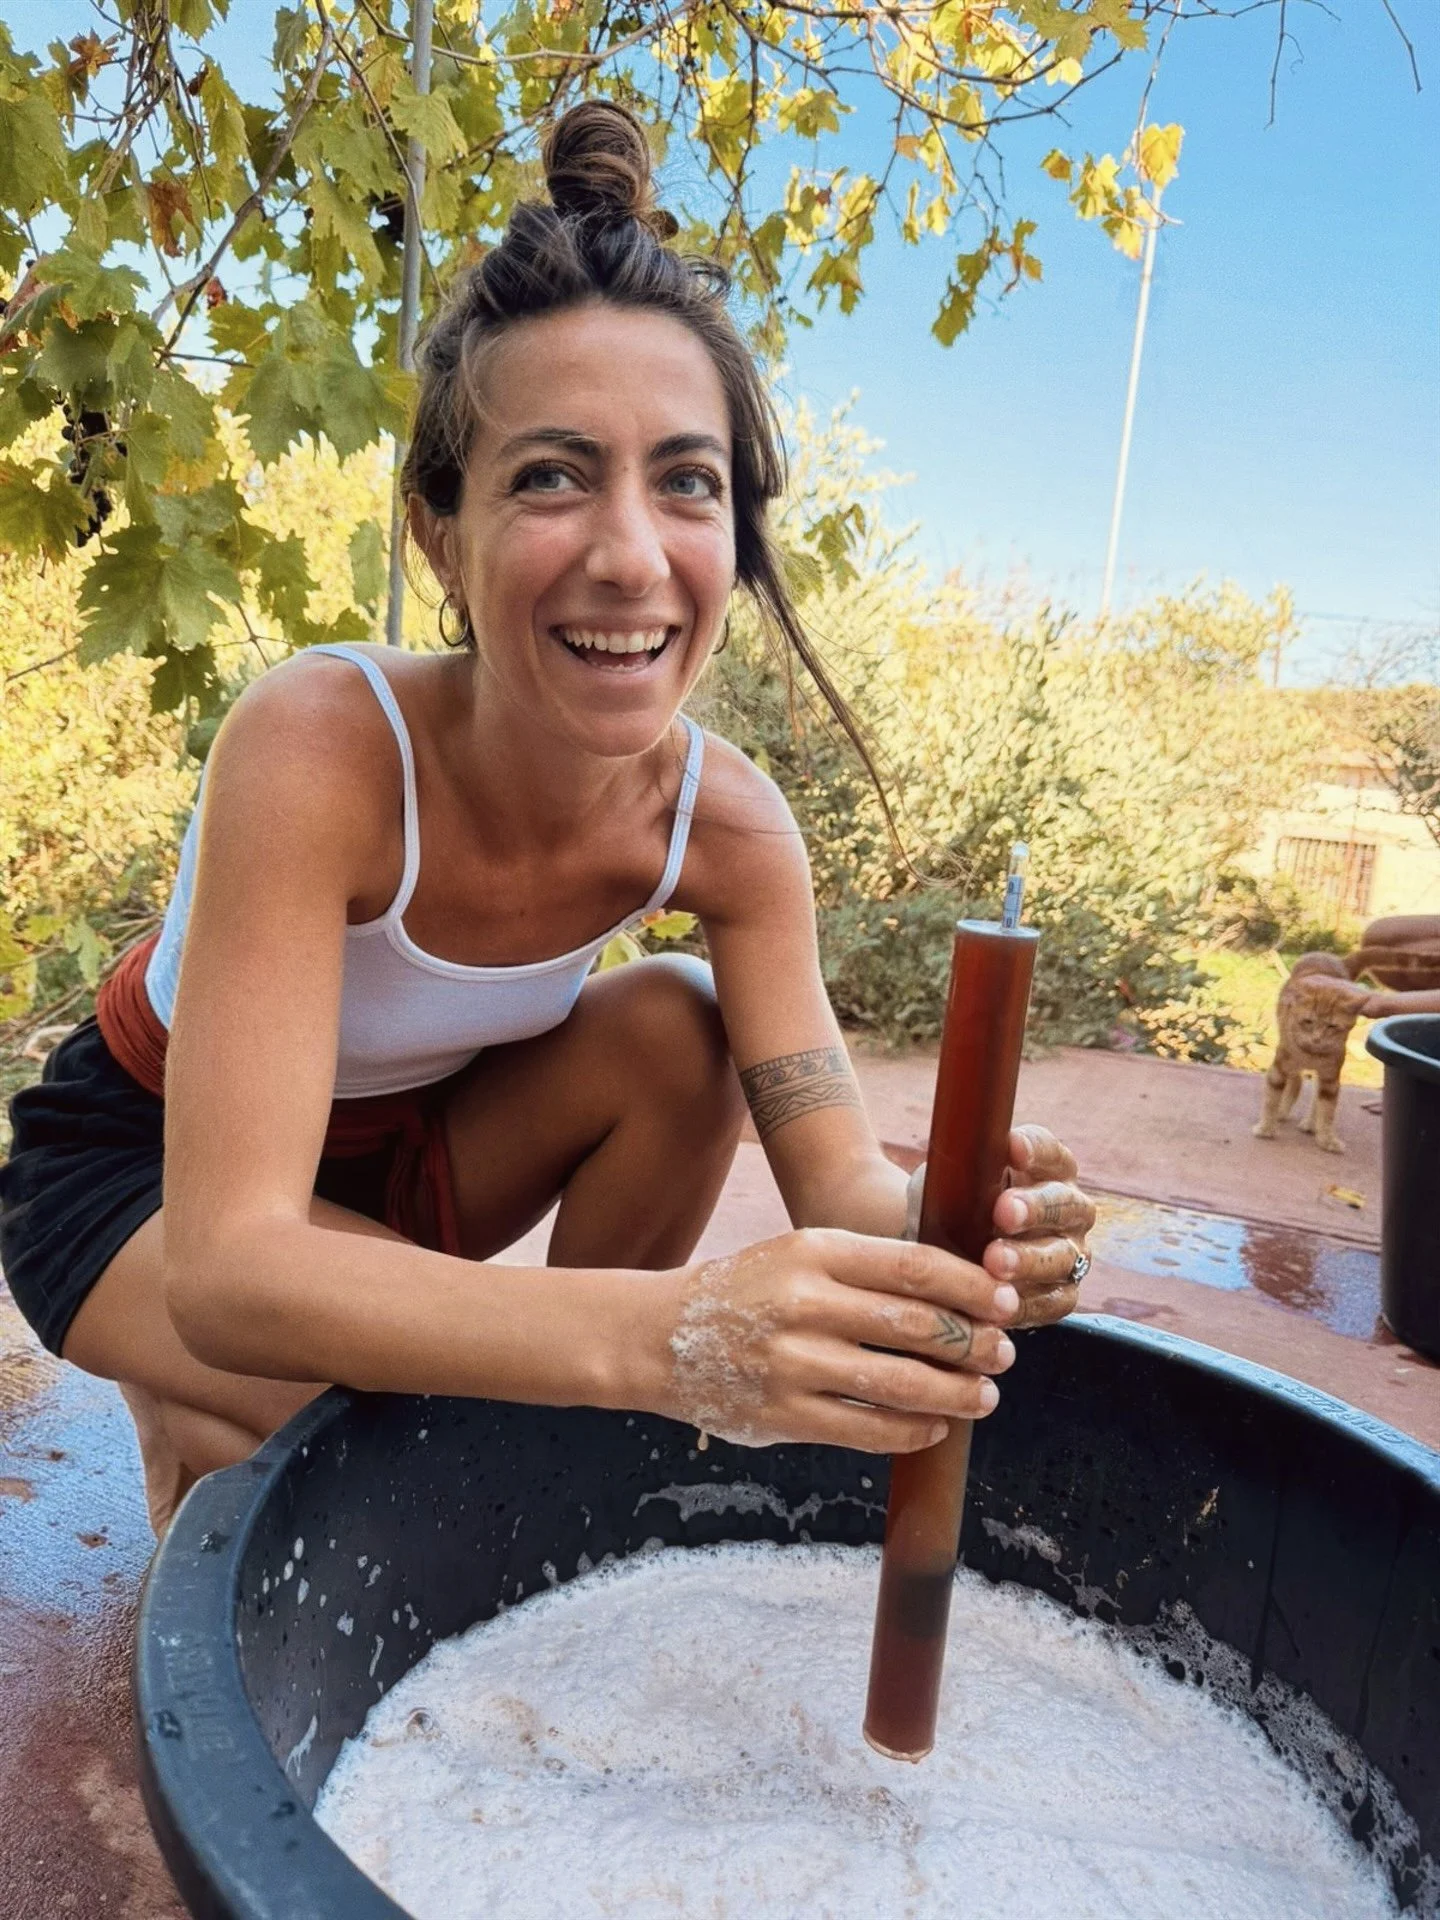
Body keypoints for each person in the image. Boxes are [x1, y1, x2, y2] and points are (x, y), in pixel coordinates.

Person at [0, 103, 1095, 1536]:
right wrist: (658, 1344)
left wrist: (967, 1233)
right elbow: (235, 1261)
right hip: (147, 1179)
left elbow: (837, 1185)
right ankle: (225, 1400)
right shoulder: (321, 745)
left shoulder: (739, 832)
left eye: (686, 481)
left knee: (683, 1026)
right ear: (439, 531)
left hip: (405, 1178)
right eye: (552, 476)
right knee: (457, 1466)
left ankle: (302, 1405)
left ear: (735, 529)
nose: (631, 557)